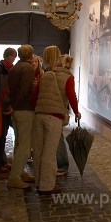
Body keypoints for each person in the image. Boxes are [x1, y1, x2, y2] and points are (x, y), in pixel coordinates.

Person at [32, 54, 81, 195]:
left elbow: (36, 94)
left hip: (39, 114)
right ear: (69, 65)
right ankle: (46, 186)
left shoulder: (47, 74)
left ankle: (38, 182)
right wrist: (76, 112)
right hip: (54, 117)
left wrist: (36, 108)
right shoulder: (68, 77)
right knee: (49, 152)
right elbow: (71, 96)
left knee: (38, 150)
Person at [6, 44, 37, 189]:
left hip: (17, 110)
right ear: (31, 55)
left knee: (18, 143)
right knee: (25, 145)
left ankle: (19, 171)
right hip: (24, 109)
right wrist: (16, 104)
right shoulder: (28, 68)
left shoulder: (15, 67)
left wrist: (12, 105)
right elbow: (24, 90)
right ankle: (14, 177)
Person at [42, 45, 69, 176]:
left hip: (55, 109)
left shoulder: (54, 72)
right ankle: (58, 163)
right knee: (56, 136)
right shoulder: (60, 71)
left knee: (57, 137)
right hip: (58, 108)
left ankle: (62, 164)